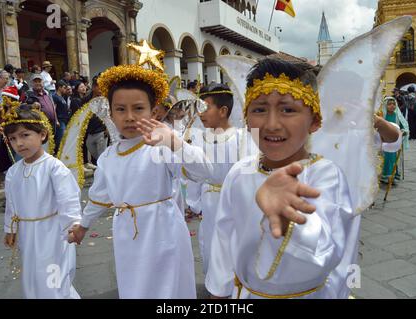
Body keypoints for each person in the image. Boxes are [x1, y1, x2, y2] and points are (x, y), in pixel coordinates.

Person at [205, 57, 355, 299]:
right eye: (259, 110)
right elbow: (224, 236)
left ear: (314, 120)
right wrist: (219, 291)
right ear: (246, 118)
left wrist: (285, 219)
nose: (272, 124)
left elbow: (328, 250)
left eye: (288, 109)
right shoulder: (239, 172)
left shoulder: (326, 175)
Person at [69, 61, 217, 298]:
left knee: (168, 287)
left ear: (153, 112)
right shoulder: (108, 157)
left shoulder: (160, 146)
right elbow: (98, 196)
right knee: (134, 286)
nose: (129, 117)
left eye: (138, 109)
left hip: (163, 230)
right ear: (110, 111)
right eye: (120, 109)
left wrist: (174, 142)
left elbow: (205, 171)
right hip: (126, 231)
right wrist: (83, 225)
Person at [0, 100, 81, 298]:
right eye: (13, 138)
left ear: (42, 134)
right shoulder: (13, 172)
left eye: (25, 135)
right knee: (33, 276)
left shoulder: (54, 167)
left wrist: (74, 225)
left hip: (53, 233)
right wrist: (10, 229)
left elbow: (68, 199)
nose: (19, 143)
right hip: (27, 233)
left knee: (54, 278)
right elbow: (11, 204)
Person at [189, 83, 257, 278]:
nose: (200, 113)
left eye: (205, 107)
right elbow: (195, 175)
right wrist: (193, 203)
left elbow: (249, 172)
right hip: (209, 202)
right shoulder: (199, 139)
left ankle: (235, 282)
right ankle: (214, 282)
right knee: (210, 242)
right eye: (198, 108)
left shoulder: (243, 137)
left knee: (232, 242)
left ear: (223, 110)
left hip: (234, 202)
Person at [53, 80, 70, 154]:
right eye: (64, 87)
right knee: (60, 138)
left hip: (65, 120)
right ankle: (57, 153)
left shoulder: (62, 97)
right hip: (60, 120)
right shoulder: (55, 97)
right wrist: (56, 120)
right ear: (59, 88)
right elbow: (54, 109)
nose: (65, 89)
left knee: (64, 138)